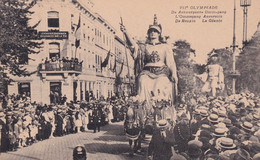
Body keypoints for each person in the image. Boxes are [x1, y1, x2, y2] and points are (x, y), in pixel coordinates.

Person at [120, 14, 178, 116]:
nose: (153, 33)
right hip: (147, 71)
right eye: (151, 31)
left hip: (161, 72)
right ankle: (145, 111)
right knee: (142, 81)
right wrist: (126, 33)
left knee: (160, 84)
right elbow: (133, 45)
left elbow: (171, 62)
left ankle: (159, 111)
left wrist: (174, 74)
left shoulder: (165, 47)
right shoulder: (144, 47)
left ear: (159, 34)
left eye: (155, 31)